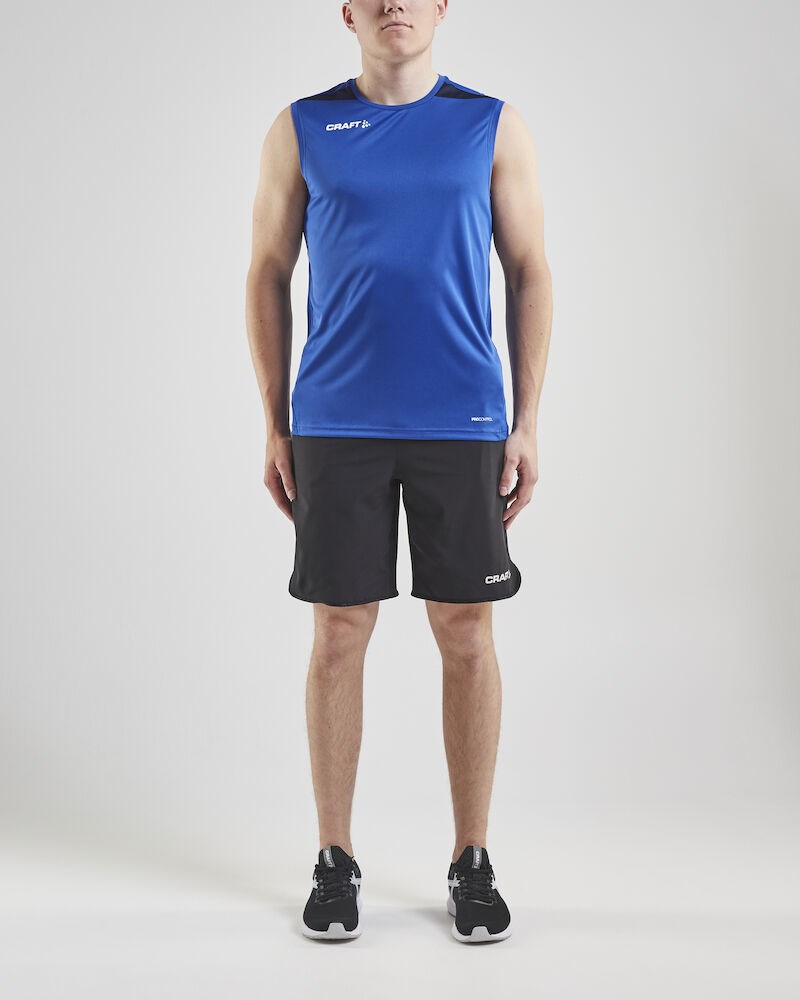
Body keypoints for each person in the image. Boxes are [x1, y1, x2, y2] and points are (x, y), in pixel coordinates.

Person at [245, 0, 551, 944]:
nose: (394, 5)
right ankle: (334, 859)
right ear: (347, 11)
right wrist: (275, 424)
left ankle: (472, 859)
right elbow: (266, 271)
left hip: (463, 420)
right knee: (339, 633)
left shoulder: (489, 123)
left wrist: (526, 420)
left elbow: (530, 269)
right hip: (336, 423)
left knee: (467, 634)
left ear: (441, 6)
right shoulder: (302, 126)